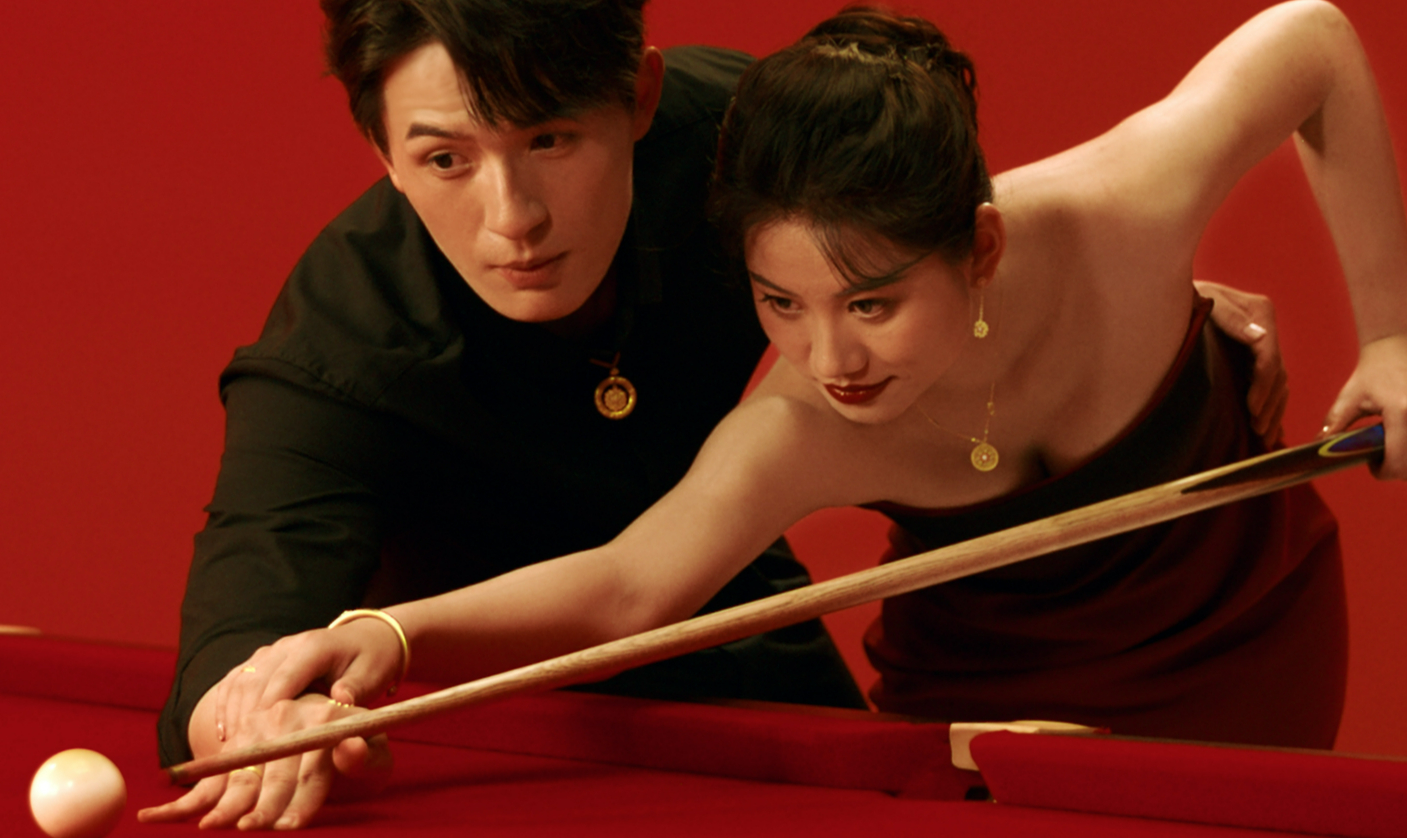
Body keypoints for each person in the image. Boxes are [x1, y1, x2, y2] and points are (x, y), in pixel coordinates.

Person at [144, 0, 1300, 831]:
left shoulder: (737, 143)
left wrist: (1125, 296)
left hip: (729, 609)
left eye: (550, 137)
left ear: (639, 99)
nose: (513, 217)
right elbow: (239, 627)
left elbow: (924, 233)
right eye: (445, 157)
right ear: (383, 155)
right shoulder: (337, 350)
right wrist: (249, 715)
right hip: (489, 694)